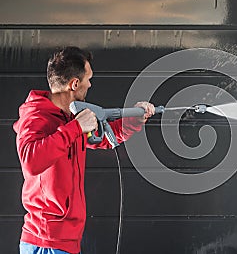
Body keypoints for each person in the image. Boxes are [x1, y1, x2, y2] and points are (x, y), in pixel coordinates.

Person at [13, 46, 155, 254]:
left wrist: (136, 119)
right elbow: (31, 162)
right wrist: (76, 128)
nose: (90, 84)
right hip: (46, 242)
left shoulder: (71, 117)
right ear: (74, 84)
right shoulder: (36, 116)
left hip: (66, 241)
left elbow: (104, 139)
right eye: (88, 79)